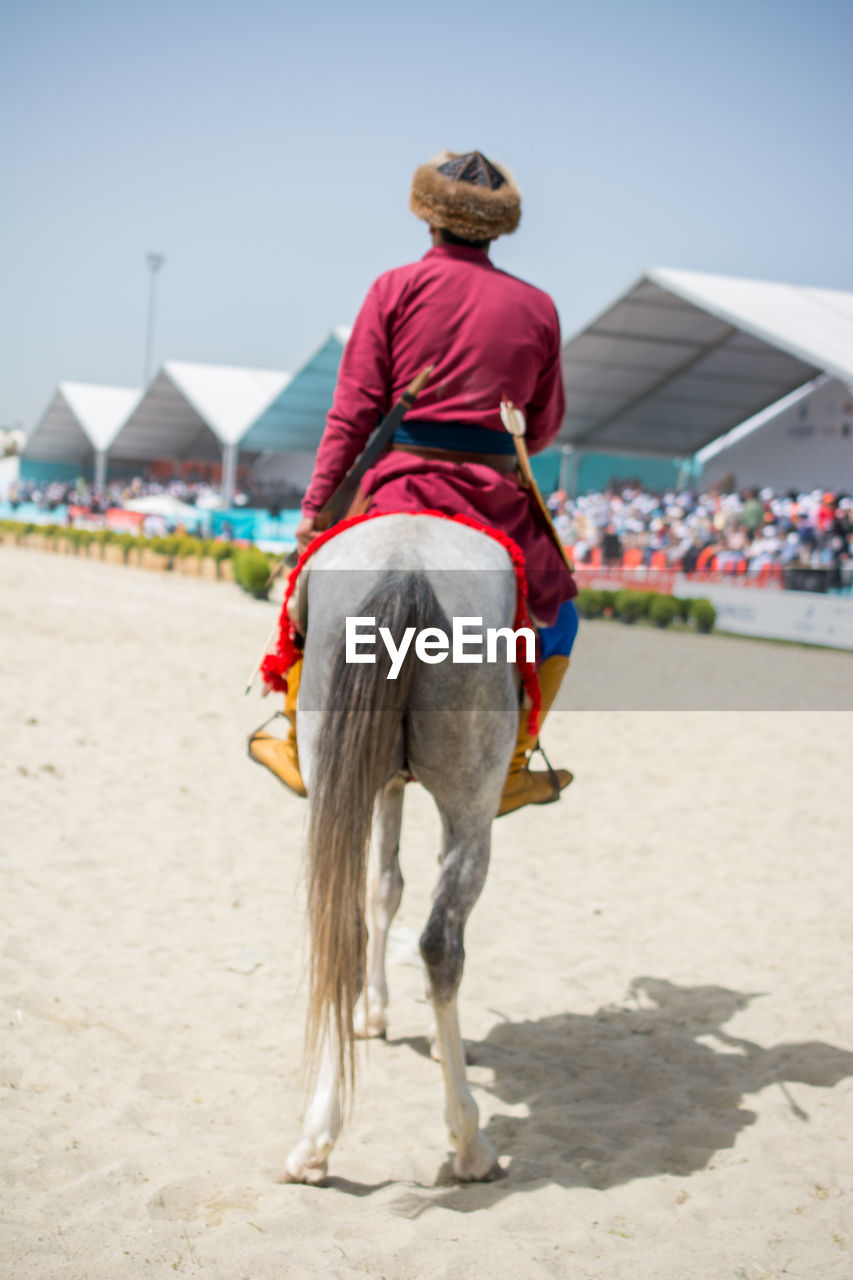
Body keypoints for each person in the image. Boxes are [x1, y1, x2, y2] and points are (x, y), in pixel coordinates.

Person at [249, 149, 578, 815]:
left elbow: (352, 412)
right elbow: (540, 430)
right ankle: (515, 759)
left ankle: (291, 732)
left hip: (398, 484)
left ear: (427, 218)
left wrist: (316, 508)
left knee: (309, 596)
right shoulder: (538, 306)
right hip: (493, 501)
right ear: (497, 228)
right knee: (560, 613)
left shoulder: (392, 287)